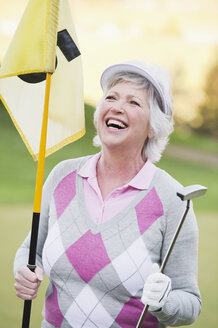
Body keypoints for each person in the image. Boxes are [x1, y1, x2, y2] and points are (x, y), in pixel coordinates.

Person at [14, 60, 201, 328]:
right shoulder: (62, 176)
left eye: (134, 102)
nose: (117, 107)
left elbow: (190, 302)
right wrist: (23, 271)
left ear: (153, 127)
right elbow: (30, 251)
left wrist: (165, 302)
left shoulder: (174, 199)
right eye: (111, 97)